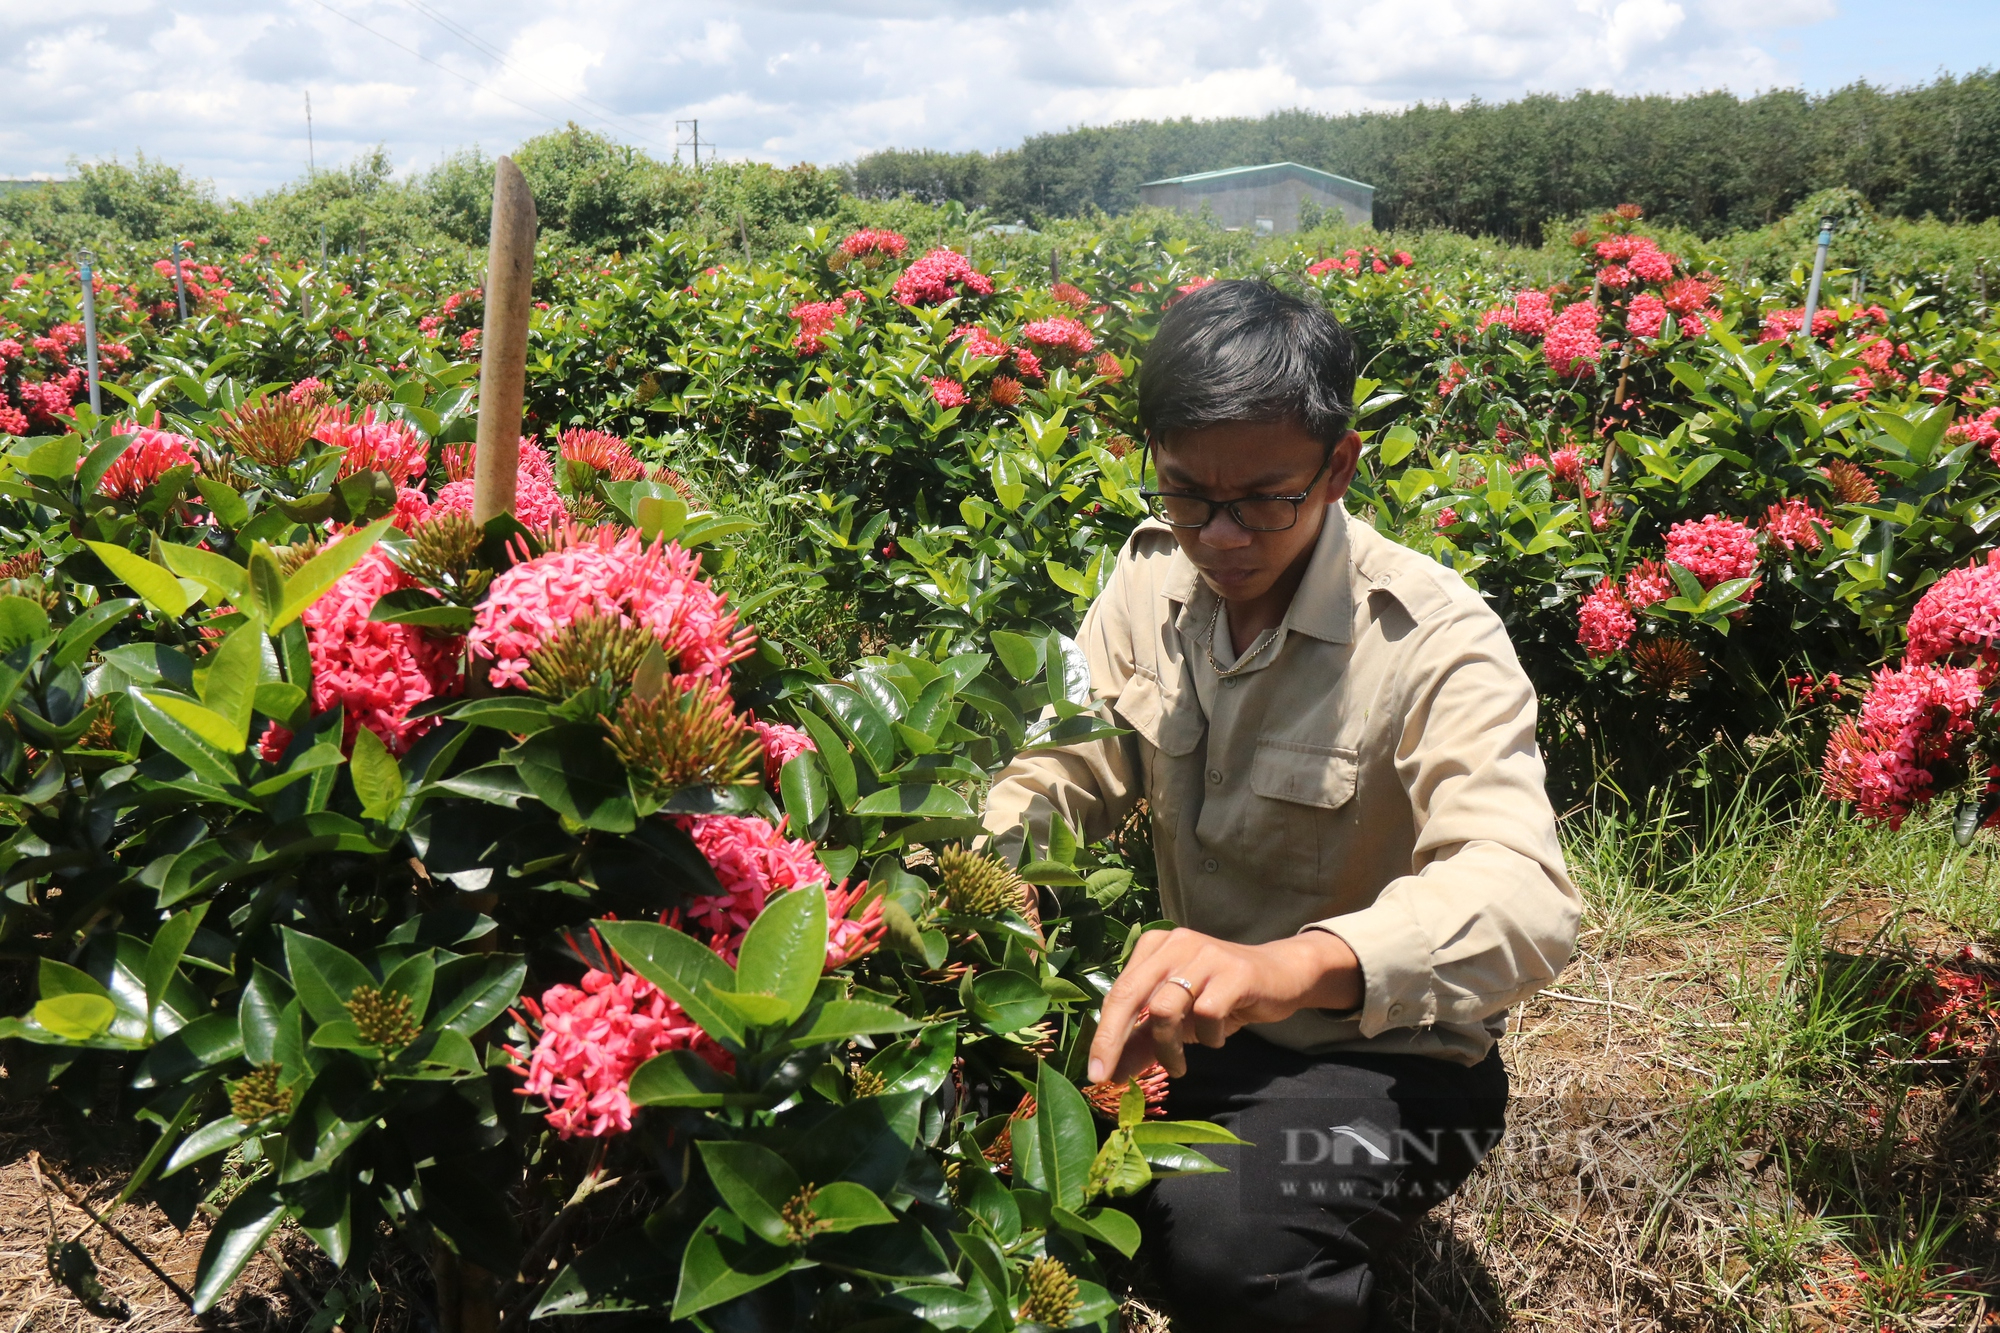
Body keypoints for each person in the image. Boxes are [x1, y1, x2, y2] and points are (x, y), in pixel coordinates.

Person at [979, 279, 1580, 1331]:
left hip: (1378, 1061)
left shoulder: (1432, 638)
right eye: (1185, 494)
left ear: (1337, 466)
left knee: (1235, 1252)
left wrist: (1283, 966)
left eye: (1264, 498)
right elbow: (1067, 763)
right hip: (1191, 1035)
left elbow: (1522, 897)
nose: (1217, 537)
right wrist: (990, 876)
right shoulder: (1147, 586)